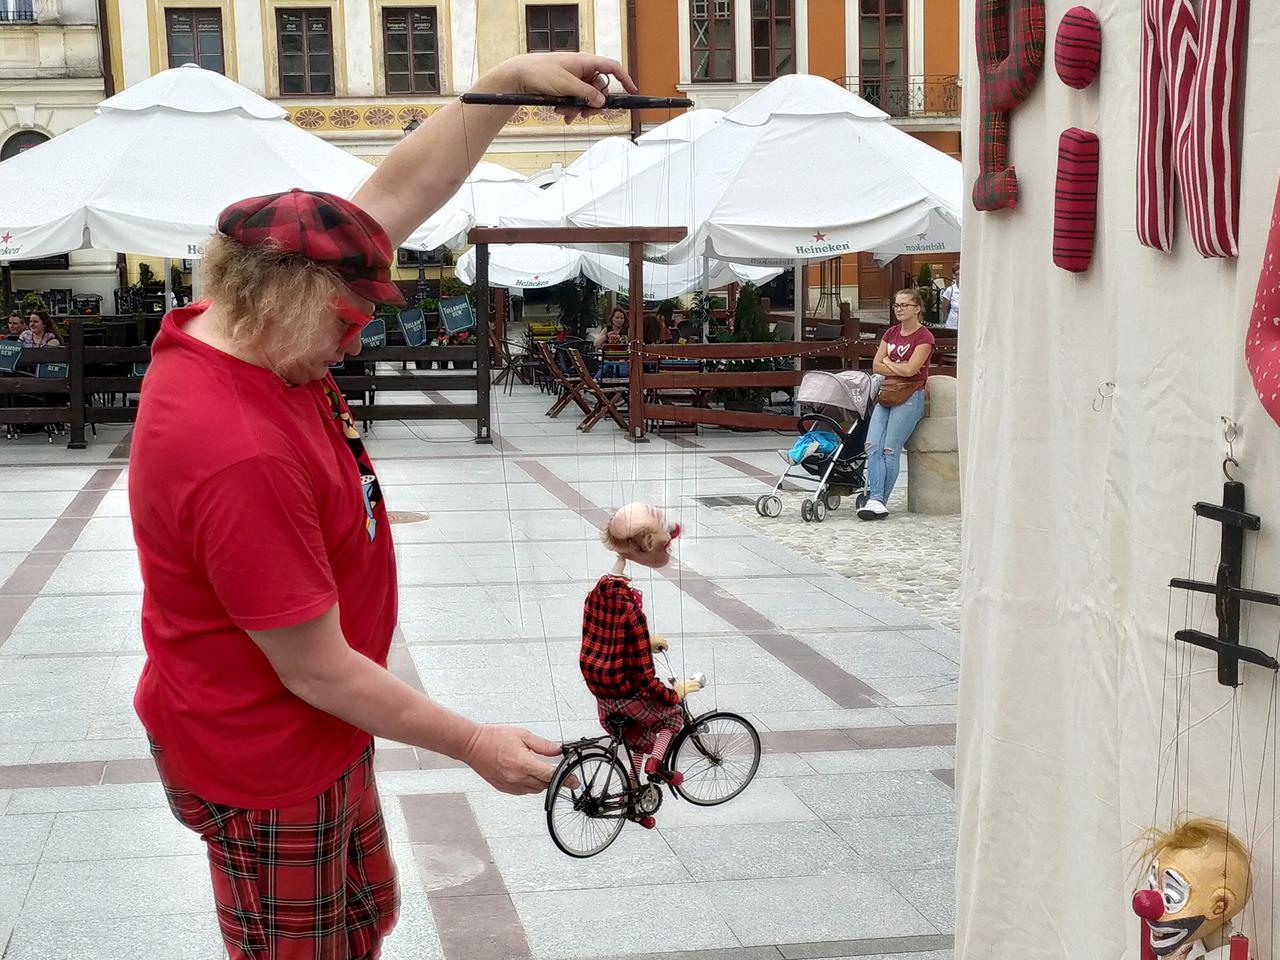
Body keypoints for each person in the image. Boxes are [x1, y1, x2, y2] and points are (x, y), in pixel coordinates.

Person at [127, 51, 636, 960]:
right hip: (267, 751)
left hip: (316, 733)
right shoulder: (233, 447)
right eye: (347, 323)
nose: (356, 345)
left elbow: (397, 195)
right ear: (283, 300)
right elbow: (317, 670)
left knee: (353, 929)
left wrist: (509, 84)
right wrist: (473, 739)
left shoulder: (237, 316)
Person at [858, 288, 934, 521]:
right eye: (897, 305)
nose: (899, 309)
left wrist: (890, 362)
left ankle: (879, 499)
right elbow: (876, 365)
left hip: (911, 394)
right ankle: (875, 497)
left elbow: (913, 371)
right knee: (872, 444)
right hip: (888, 392)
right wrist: (896, 365)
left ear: (917, 309)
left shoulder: (924, 337)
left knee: (890, 447)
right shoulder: (891, 333)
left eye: (904, 305)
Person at [941, 263, 960, 330]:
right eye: (958, 274)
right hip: (952, 325)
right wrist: (945, 320)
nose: (960, 276)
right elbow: (944, 309)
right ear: (954, 275)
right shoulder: (950, 290)